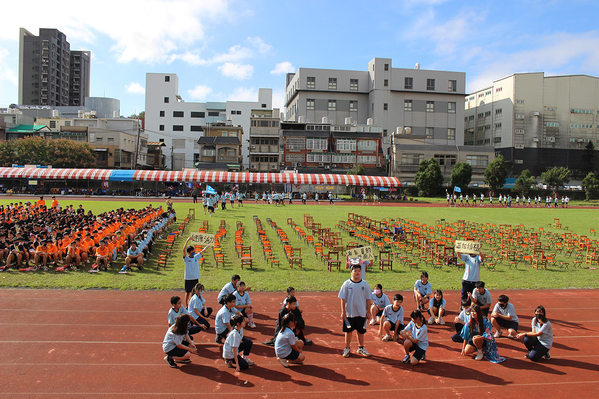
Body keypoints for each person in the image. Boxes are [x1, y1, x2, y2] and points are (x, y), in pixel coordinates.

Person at [338, 263, 372, 357]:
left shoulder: (365, 284)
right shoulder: (347, 284)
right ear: (351, 272)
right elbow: (342, 298)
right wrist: (343, 312)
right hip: (349, 313)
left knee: (360, 331)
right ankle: (347, 348)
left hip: (361, 313)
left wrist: (368, 312)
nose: (357, 272)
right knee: (348, 331)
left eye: (359, 271)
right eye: (355, 271)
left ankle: (361, 347)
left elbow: (368, 299)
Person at [182, 237, 209, 306]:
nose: (194, 252)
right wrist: (187, 240)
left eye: (194, 251)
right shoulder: (186, 258)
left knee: (196, 292)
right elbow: (183, 250)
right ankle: (187, 306)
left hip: (195, 278)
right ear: (188, 253)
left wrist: (209, 244)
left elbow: (203, 250)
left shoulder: (196, 257)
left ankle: (194, 305)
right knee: (188, 292)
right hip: (188, 278)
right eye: (192, 252)